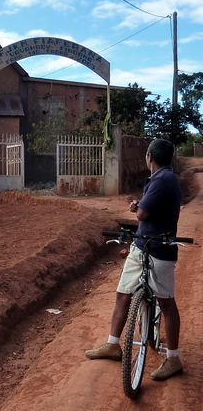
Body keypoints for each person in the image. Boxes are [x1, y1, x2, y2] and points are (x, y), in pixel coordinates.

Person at [85, 138, 183, 381]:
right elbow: (146, 210)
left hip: (159, 249)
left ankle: (173, 358)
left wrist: (138, 208)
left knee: (167, 304)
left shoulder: (163, 179)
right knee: (123, 293)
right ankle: (113, 344)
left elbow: (141, 214)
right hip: (141, 246)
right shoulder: (161, 179)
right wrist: (140, 206)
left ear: (149, 156)